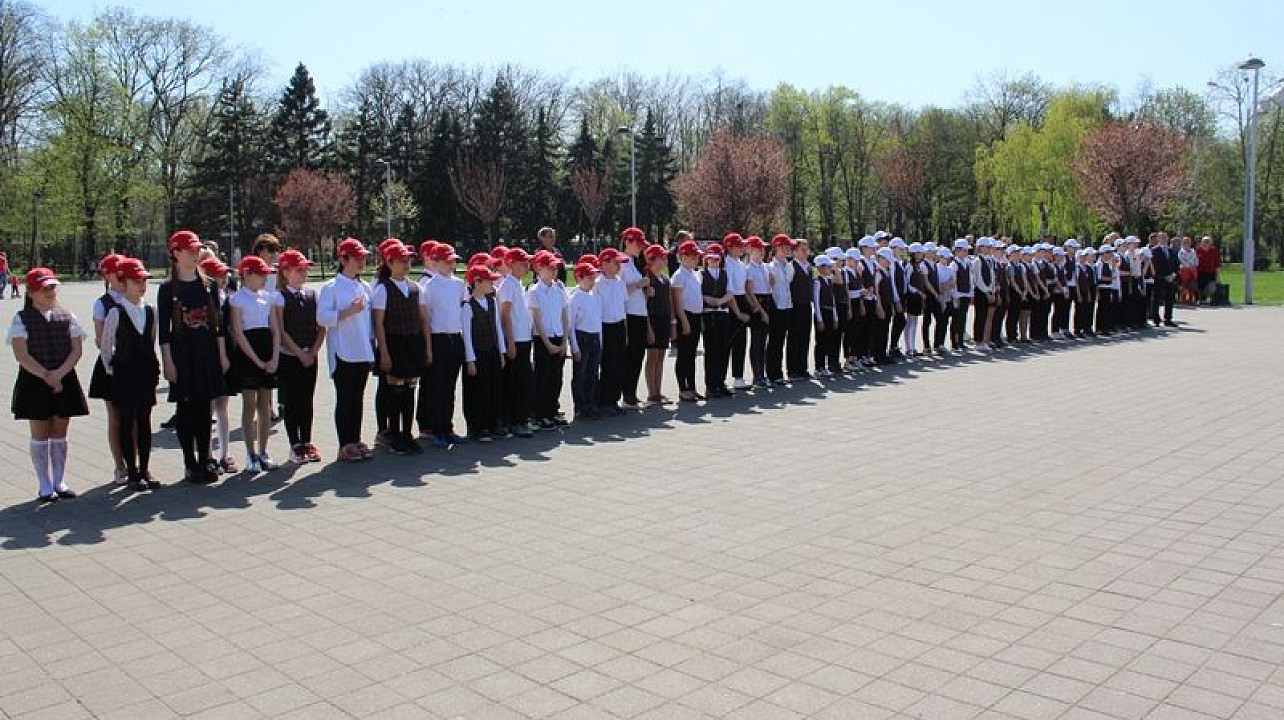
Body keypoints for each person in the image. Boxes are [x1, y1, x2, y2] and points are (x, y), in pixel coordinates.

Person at [8, 268, 88, 503]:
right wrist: (46, 375)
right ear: (31, 292)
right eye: (45, 288)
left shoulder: (67, 315)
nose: (50, 292)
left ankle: (59, 481)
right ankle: (44, 483)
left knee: (60, 431)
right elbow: (21, 355)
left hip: (64, 379)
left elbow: (77, 350)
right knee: (40, 431)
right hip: (35, 380)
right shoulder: (21, 318)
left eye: (53, 287)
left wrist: (60, 374)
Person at [159, 231, 227, 484]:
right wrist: (168, 361)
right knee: (186, 409)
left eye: (197, 250)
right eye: (190, 251)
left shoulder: (208, 285)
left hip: (206, 354)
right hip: (182, 356)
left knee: (204, 408)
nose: (195, 254)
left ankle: (204, 458)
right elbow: (164, 331)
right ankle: (190, 462)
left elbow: (217, 325)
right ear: (176, 254)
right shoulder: (167, 289)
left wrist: (221, 357)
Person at [100, 258, 161, 492]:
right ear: (123, 283)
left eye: (143, 280)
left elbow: (151, 339)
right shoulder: (116, 312)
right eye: (135, 281)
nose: (141, 285)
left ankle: (145, 468)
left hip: (145, 371)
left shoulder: (150, 310)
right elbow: (107, 346)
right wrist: (113, 370)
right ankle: (132, 470)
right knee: (127, 421)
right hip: (125, 372)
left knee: (144, 421)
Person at [317, 238, 375, 463]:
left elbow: (369, 322)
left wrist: (372, 346)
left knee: (358, 398)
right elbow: (322, 317)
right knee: (345, 398)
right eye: (357, 258)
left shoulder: (365, 286)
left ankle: (356, 439)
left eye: (363, 258)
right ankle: (345, 443)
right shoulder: (331, 288)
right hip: (343, 352)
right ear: (343, 259)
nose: (361, 262)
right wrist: (347, 311)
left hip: (362, 350)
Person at [372, 240, 430, 455]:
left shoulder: (416, 288)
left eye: (408, 260)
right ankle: (394, 434)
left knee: (409, 390)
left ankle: (407, 433)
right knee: (394, 391)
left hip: (413, 342)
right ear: (389, 262)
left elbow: (423, 319)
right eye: (401, 260)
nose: (406, 264)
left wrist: (427, 347)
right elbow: (378, 322)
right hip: (394, 342)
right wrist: (384, 351)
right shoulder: (382, 289)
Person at [228, 255, 281, 472]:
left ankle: (264, 451)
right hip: (248, 354)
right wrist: (257, 360)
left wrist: (274, 357)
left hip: (267, 349)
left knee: (265, 403)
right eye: (260, 275)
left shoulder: (268, 298)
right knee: (250, 405)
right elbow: (238, 332)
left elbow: (275, 329)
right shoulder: (237, 299)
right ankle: (250, 453)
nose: (264, 279)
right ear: (247, 274)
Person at [274, 249, 325, 464]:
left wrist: (313, 352)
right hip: (290, 357)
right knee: (292, 401)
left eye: (305, 269)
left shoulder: (312, 295)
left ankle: (307, 440)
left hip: (310, 355)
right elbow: (281, 330)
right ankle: (295, 444)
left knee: (307, 400)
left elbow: (321, 326)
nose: (304, 273)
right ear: (285, 272)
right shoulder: (279, 297)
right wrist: (298, 353)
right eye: (299, 269)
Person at [421, 242, 469, 448]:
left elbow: (461, 309)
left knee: (450, 387)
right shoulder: (429, 286)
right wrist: (429, 347)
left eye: (453, 261)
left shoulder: (459, 284)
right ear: (436, 261)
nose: (451, 264)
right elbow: (426, 318)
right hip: (438, 339)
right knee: (438, 387)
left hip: (455, 338)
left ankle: (448, 428)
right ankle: (437, 429)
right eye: (447, 261)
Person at [87, 253, 127, 485]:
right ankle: (119, 465)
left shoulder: (135, 298)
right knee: (116, 418)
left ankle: (136, 463)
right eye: (117, 273)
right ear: (108, 275)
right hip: (111, 364)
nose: (122, 278)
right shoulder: (102, 303)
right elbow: (100, 338)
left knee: (134, 417)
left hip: (134, 365)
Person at [461, 264, 507, 440]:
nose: (492, 285)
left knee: (494, 388)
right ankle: (478, 427)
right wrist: (470, 360)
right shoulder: (467, 306)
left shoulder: (492, 301)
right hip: (478, 353)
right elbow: (467, 335)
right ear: (477, 282)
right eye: (489, 281)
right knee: (479, 390)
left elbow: (497, 328)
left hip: (492, 351)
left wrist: (501, 352)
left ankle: (493, 422)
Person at [526, 250, 570, 427]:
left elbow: (565, 316)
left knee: (556, 378)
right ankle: (541, 413)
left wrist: (565, 340)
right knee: (542, 377)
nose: (554, 271)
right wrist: (547, 343)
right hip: (543, 339)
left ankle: (552, 410)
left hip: (558, 337)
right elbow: (536, 320)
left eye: (556, 268)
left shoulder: (559, 290)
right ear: (539, 268)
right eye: (550, 267)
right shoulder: (534, 291)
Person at [496, 247, 536, 438]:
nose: (527, 266)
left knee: (524, 382)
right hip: (516, 341)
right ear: (511, 264)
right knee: (514, 382)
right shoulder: (508, 285)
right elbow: (505, 315)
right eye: (522, 263)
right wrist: (510, 342)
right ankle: (512, 421)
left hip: (524, 338)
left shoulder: (518, 284)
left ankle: (520, 419)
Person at [700, 243, 740, 397]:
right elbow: (700, 294)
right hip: (709, 314)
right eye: (710, 258)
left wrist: (720, 301)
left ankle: (720, 382)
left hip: (723, 313)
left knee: (723, 348)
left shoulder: (725, 274)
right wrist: (711, 300)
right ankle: (711, 385)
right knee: (711, 350)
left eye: (716, 258)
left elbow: (731, 293)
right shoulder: (701, 274)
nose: (713, 261)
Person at [592, 247, 628, 416]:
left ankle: (614, 399)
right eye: (615, 262)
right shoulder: (597, 284)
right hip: (605, 326)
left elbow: (623, 305)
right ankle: (604, 400)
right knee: (607, 364)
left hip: (619, 324)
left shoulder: (620, 281)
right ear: (605, 263)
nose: (619, 266)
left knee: (619, 363)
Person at [618, 227, 650, 410]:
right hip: (629, 314)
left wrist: (645, 289)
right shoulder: (621, 263)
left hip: (639, 313)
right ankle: (626, 394)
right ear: (628, 242)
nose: (641, 248)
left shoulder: (635, 263)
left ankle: (631, 393)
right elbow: (620, 290)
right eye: (638, 244)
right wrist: (638, 285)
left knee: (638, 355)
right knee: (630, 355)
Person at [567, 262, 603, 421]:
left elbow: (598, 320)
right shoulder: (575, 298)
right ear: (579, 278)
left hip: (594, 337)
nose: (593, 280)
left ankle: (591, 403)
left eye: (593, 277)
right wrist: (574, 347)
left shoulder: (595, 296)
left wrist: (600, 340)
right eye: (589, 277)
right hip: (582, 337)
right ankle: (580, 407)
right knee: (580, 374)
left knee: (592, 373)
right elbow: (571, 325)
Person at [670, 240, 704, 402]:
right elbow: (677, 301)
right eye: (691, 256)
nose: (695, 259)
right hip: (686, 316)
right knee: (683, 354)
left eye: (696, 256)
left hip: (696, 316)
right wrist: (683, 320)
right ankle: (683, 389)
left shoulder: (695, 274)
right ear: (682, 256)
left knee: (691, 355)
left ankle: (692, 387)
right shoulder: (679, 276)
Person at [642, 244, 673, 405]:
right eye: (662, 257)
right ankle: (651, 393)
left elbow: (669, 302)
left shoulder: (665, 279)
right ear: (652, 259)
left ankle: (658, 392)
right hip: (653, 319)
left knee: (661, 356)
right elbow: (645, 305)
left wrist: (672, 323)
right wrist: (648, 328)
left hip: (664, 320)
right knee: (652, 356)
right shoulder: (647, 278)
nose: (665, 259)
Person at [742, 237, 772, 388]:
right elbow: (750, 291)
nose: (762, 252)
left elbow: (770, 284)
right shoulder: (749, 269)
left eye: (763, 249)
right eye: (758, 249)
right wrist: (761, 311)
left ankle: (763, 373)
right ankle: (757, 375)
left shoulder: (765, 267)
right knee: (756, 341)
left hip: (767, 301)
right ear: (750, 251)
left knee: (763, 342)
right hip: (757, 304)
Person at [723, 233, 751, 390]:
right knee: (728, 342)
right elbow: (730, 290)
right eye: (739, 245)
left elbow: (744, 288)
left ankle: (738, 376)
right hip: (731, 303)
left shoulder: (741, 263)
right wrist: (738, 312)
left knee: (741, 342)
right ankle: (723, 378)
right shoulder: (727, 264)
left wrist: (749, 305)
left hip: (741, 300)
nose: (742, 248)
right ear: (730, 247)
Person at [765, 234, 794, 386]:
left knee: (782, 340)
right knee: (774, 341)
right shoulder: (770, 267)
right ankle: (772, 372)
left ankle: (779, 372)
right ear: (777, 248)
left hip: (787, 305)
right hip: (776, 306)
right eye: (785, 247)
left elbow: (788, 282)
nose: (788, 250)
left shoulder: (788, 266)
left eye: (789, 247)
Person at [785, 239, 813, 379]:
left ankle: (803, 367)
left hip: (806, 304)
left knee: (805, 337)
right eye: (802, 250)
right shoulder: (791, 267)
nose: (806, 252)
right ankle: (793, 370)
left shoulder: (808, 266)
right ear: (794, 251)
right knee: (794, 337)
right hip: (795, 306)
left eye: (807, 249)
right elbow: (787, 287)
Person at [811, 255, 841, 376]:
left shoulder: (829, 280)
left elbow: (832, 300)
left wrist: (835, 317)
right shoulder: (817, 282)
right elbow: (816, 302)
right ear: (821, 268)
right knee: (821, 341)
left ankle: (827, 366)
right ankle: (819, 367)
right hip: (822, 312)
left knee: (829, 340)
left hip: (829, 312)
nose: (831, 269)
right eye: (828, 267)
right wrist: (819, 319)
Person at [1150, 232, 1179, 327]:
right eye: (1161, 237)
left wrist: (1173, 275)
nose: (1164, 239)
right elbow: (1154, 266)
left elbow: (1176, 264)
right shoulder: (1154, 250)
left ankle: (1168, 319)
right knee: (1157, 299)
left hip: (1171, 278)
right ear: (1158, 239)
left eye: (1165, 237)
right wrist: (1162, 277)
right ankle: (1156, 318)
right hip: (1159, 278)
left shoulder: (1171, 251)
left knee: (1170, 299)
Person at [1195, 236, 1220, 305]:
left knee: (1212, 287)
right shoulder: (1198, 250)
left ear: (1211, 242)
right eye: (1205, 241)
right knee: (1199, 287)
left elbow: (1217, 264)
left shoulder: (1214, 250)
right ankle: (1199, 300)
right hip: (1200, 272)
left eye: (1208, 241)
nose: (1206, 243)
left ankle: (1209, 298)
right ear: (1202, 242)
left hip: (1211, 273)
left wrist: (1218, 275)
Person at [1178, 236, 1199, 305]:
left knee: (1192, 284)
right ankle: (1183, 299)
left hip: (1193, 270)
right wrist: (1190, 266)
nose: (1187, 243)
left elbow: (1196, 260)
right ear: (1182, 243)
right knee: (1184, 285)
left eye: (1188, 242)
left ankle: (1190, 299)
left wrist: (1194, 266)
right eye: (1185, 242)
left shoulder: (1193, 251)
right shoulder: (1181, 251)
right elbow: (1181, 260)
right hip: (1184, 270)